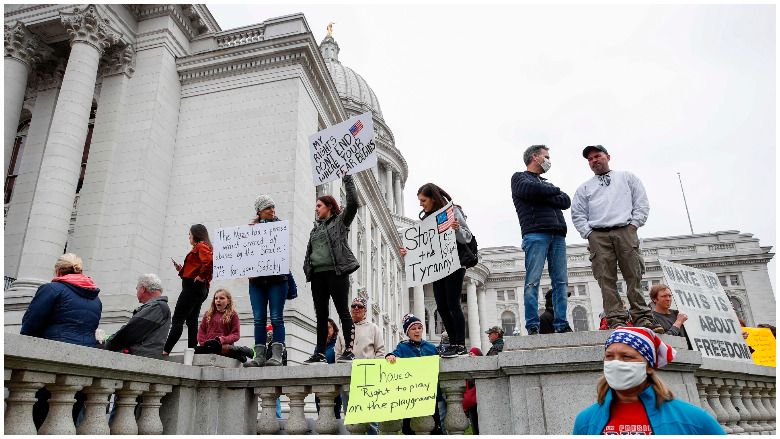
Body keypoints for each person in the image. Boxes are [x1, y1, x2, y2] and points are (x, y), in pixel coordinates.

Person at [571, 145, 662, 333]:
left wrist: (634, 225)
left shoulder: (627, 178)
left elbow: (641, 202)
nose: (594, 161)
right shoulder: (584, 188)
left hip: (625, 230)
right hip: (599, 234)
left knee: (634, 275)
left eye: (597, 156)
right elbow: (577, 213)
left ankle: (643, 318)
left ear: (608, 157)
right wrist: (589, 234)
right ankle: (616, 320)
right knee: (606, 279)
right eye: (590, 159)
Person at [573, 327, 725, 434]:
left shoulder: (694, 419)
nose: (616, 363)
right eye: (609, 356)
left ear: (649, 366)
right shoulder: (585, 420)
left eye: (627, 356)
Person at [21, 253, 101, 430]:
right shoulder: (96, 299)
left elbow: (30, 325)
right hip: (82, 366)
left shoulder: (51, 289)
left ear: (58, 270)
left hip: (50, 363)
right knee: (67, 422)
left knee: (37, 420)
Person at [399, 183, 473, 358]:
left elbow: (467, 237)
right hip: (437, 266)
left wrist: (456, 229)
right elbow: (424, 245)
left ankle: (460, 344)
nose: (421, 204)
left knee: (453, 303)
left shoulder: (452, 212)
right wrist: (409, 253)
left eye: (423, 200)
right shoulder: (427, 220)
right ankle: (452, 343)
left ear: (433, 198)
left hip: (453, 263)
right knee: (442, 305)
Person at [511, 145, 573, 335]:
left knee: (561, 282)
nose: (548, 160)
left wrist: (545, 191)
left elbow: (565, 201)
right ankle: (532, 325)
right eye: (546, 156)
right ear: (535, 157)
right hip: (535, 233)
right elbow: (530, 189)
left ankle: (561, 323)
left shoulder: (544, 184)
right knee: (532, 281)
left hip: (558, 234)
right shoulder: (519, 178)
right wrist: (551, 190)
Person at [303, 173, 360, 364]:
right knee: (321, 315)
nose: (316, 209)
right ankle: (319, 353)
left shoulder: (340, 222)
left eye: (319, 206)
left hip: (336, 273)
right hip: (318, 275)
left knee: (343, 311)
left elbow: (353, 204)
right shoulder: (314, 229)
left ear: (329, 207)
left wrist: (348, 179)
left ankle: (349, 351)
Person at [244, 195, 289, 367]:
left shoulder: (279, 227)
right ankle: (259, 356)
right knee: (259, 319)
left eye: (273, 207)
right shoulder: (250, 229)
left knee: (277, 317)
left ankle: (277, 356)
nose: (273, 210)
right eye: (269, 208)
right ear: (259, 211)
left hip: (277, 279)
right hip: (257, 281)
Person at [385, 314, 443, 435]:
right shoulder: (402, 347)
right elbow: (395, 355)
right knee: (409, 429)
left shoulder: (431, 348)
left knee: (434, 428)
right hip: (410, 396)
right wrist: (390, 356)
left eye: (419, 327)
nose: (417, 331)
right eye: (413, 328)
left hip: (430, 395)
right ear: (407, 332)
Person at [336, 297, 385, 433]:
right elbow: (338, 352)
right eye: (353, 306)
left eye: (359, 306)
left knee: (371, 417)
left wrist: (375, 371)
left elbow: (380, 351)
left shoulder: (373, 328)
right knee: (350, 415)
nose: (356, 309)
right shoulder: (343, 328)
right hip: (348, 379)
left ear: (365, 311)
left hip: (368, 378)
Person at [164, 224, 213, 355]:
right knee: (191, 321)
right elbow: (196, 268)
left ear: (195, 234)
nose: (189, 237)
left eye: (189, 234)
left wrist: (202, 276)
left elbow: (208, 262)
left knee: (178, 319)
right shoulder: (201, 247)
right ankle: (192, 351)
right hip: (197, 288)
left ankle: (165, 350)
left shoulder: (201, 246)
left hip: (192, 288)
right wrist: (181, 270)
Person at [103, 273, 172, 359]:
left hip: (139, 358)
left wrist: (109, 344)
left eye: (137, 289)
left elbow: (130, 332)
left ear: (143, 289)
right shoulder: (159, 307)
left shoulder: (156, 307)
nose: (137, 292)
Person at [194, 288, 253, 362]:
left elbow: (235, 335)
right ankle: (238, 352)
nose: (218, 300)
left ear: (228, 301)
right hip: (209, 345)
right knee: (195, 350)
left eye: (221, 298)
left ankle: (238, 351)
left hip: (223, 345)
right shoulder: (208, 314)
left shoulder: (233, 314)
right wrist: (205, 344)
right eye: (216, 298)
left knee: (216, 347)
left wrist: (222, 339)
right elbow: (201, 332)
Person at [315, 318, 343, 418]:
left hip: (333, 386)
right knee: (321, 417)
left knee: (335, 417)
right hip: (320, 386)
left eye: (329, 328)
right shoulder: (319, 346)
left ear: (334, 329)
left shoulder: (337, 343)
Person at [463, 347, 482, 434]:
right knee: (474, 422)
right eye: (469, 353)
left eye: (472, 353)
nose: (470, 355)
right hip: (472, 399)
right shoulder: (467, 366)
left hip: (479, 398)